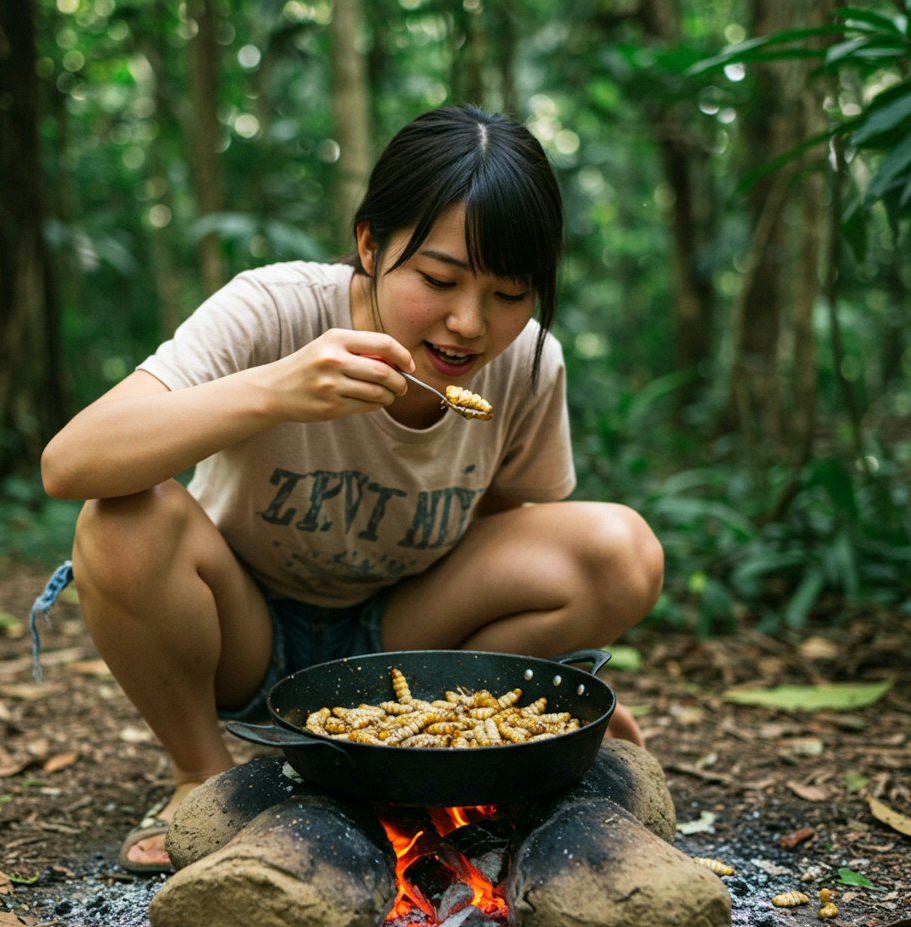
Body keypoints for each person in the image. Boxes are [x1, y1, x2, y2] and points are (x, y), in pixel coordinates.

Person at [39, 105, 664, 873]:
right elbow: (70, 463)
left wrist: (533, 698)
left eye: (509, 293)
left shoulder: (528, 362)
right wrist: (275, 390)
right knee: (124, 517)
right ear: (371, 244)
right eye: (439, 279)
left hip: (405, 640)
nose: (470, 323)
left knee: (621, 551)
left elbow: (508, 523)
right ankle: (203, 775)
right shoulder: (275, 308)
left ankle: (441, 734)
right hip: (243, 630)